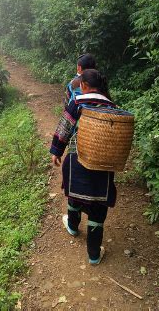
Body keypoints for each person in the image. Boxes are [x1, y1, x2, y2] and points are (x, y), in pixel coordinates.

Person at [51, 69, 117, 265]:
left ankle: (72, 226)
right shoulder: (112, 107)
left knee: (74, 194)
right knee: (98, 207)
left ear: (85, 86)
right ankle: (94, 255)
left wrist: (56, 151)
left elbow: (65, 128)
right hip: (103, 166)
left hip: (77, 160)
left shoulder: (78, 103)